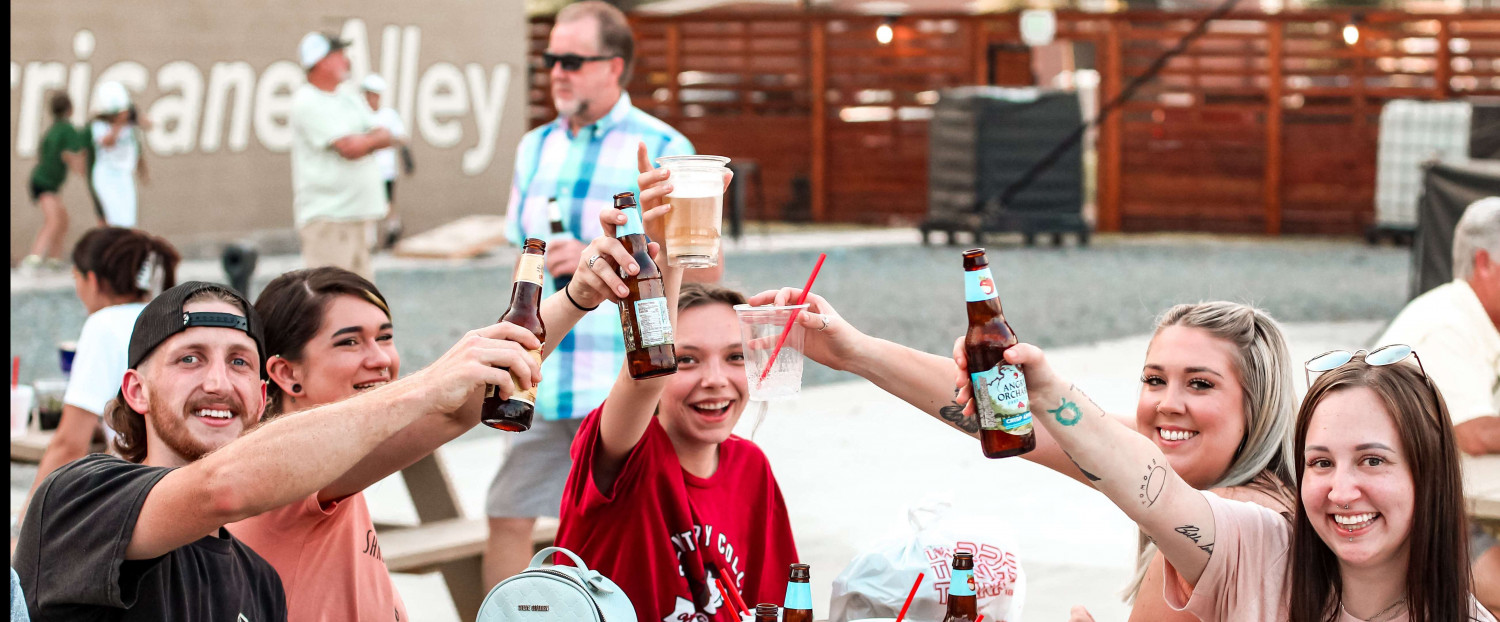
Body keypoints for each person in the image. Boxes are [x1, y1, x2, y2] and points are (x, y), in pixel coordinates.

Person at [747, 285, 1299, 621]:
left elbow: (1089, 442)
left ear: (1260, 403)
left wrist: (1047, 389)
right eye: (1155, 379)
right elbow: (1020, 424)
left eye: (1200, 384)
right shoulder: (1199, 468)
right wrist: (855, 351)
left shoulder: (1250, 524)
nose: (1167, 404)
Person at [12, 280, 540, 619]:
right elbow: (220, 489)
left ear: (262, 394)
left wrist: (576, 296)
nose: (218, 383)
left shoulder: (258, 582)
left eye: (239, 362)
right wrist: (424, 387)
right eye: (189, 359)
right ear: (136, 391)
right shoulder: (80, 497)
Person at [224, 217, 641, 621]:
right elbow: (452, 413)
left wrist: (578, 295)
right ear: (286, 374)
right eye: (349, 342)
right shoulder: (284, 471)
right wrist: (436, 381)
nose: (380, 359)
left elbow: (460, 408)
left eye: (385, 337)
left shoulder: (343, 455)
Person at [987, 341, 1496, 620]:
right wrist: (1047, 393)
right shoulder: (1260, 548)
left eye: (1372, 461)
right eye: (1320, 463)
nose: (1341, 492)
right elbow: (1146, 483)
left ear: (1428, 473)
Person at [485, 0, 710, 588]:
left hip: (625, 380)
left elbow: (704, 269)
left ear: (614, 66)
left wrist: (607, 256)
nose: (557, 72)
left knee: (624, 530)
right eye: (550, 60)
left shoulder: (663, 146)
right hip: (543, 373)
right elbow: (520, 255)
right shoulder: (534, 146)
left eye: (572, 60)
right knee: (506, 516)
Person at [552, 189, 798, 622]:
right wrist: (667, 256)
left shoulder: (751, 467)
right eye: (686, 360)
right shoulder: (625, 454)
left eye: (735, 356)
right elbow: (646, 376)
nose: (715, 379)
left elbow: (774, 605)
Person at [1377, 196, 1500, 614]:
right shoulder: (1447, 324)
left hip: (1442, 507)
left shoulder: (1473, 319)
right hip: (1410, 522)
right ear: (1484, 263)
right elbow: (1476, 433)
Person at [17, 227, 180, 527]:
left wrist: (24, 526)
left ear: (91, 280)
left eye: (75, 279)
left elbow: (69, 445)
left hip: (138, 495)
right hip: (176, 483)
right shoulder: (166, 315)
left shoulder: (103, 324)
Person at [290, 32, 391, 281]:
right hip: (329, 221)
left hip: (357, 218)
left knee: (362, 298)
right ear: (320, 61)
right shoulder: (307, 101)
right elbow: (349, 148)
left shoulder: (348, 96)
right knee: (330, 298)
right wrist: (370, 140)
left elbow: (385, 134)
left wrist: (365, 141)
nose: (347, 60)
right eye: (339, 55)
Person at [21, 92, 87, 275]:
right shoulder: (67, 130)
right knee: (54, 220)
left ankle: (54, 260)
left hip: (44, 181)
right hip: (44, 183)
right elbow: (72, 155)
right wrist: (82, 168)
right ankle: (33, 259)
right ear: (70, 109)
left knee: (62, 220)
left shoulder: (54, 129)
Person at [359, 73, 409, 250]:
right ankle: (369, 241)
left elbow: (402, 137)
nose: (370, 98)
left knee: (387, 204)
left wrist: (383, 140)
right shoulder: (360, 115)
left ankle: (393, 229)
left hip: (386, 170)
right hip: (365, 170)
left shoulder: (389, 115)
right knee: (367, 206)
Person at [88, 81, 147, 228]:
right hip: (107, 174)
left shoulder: (130, 123)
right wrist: (118, 124)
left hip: (124, 174)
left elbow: (148, 124)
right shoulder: (100, 125)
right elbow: (107, 142)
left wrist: (134, 117)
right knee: (115, 220)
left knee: (128, 220)